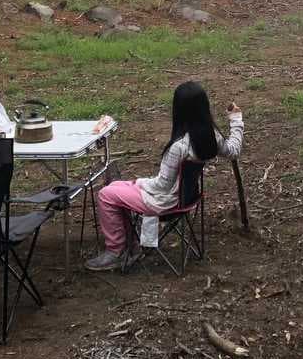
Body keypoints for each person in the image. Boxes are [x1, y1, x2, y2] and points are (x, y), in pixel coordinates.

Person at [86, 81, 243, 271]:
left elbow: (161, 186)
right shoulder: (211, 136)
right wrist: (236, 119)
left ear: (178, 110)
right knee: (117, 187)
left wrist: (139, 183)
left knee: (106, 194)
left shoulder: (179, 147)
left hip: (166, 202)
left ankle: (116, 252)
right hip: (188, 197)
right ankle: (131, 244)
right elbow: (233, 150)